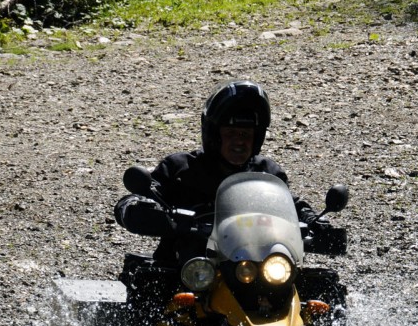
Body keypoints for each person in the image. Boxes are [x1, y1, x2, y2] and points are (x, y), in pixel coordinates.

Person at [114, 80, 322, 263]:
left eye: (245, 134)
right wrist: (136, 207)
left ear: (257, 138)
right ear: (214, 135)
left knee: (320, 291)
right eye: (231, 133)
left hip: (258, 268)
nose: (239, 141)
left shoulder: (268, 174)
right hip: (191, 268)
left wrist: (315, 221)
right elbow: (144, 193)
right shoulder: (180, 168)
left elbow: (291, 206)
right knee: (151, 284)